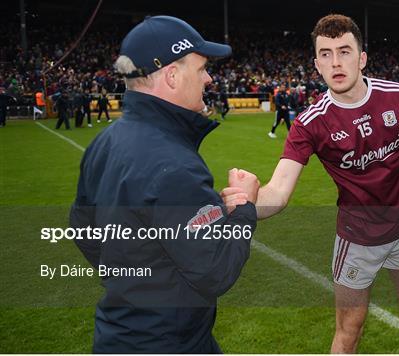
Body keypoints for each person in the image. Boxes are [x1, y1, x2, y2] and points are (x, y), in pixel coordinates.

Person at [240, 14, 399, 353]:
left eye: (345, 51)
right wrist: (244, 204)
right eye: (325, 54)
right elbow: (278, 191)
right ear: (316, 64)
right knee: (350, 327)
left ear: (362, 58)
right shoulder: (309, 124)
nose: (336, 62)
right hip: (357, 240)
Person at [69, 15, 259, 353]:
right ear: (172, 76)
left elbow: (84, 229)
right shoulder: (174, 164)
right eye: (201, 69)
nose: (209, 78)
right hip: (169, 341)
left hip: (121, 335)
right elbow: (215, 271)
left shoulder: (105, 141)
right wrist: (244, 208)